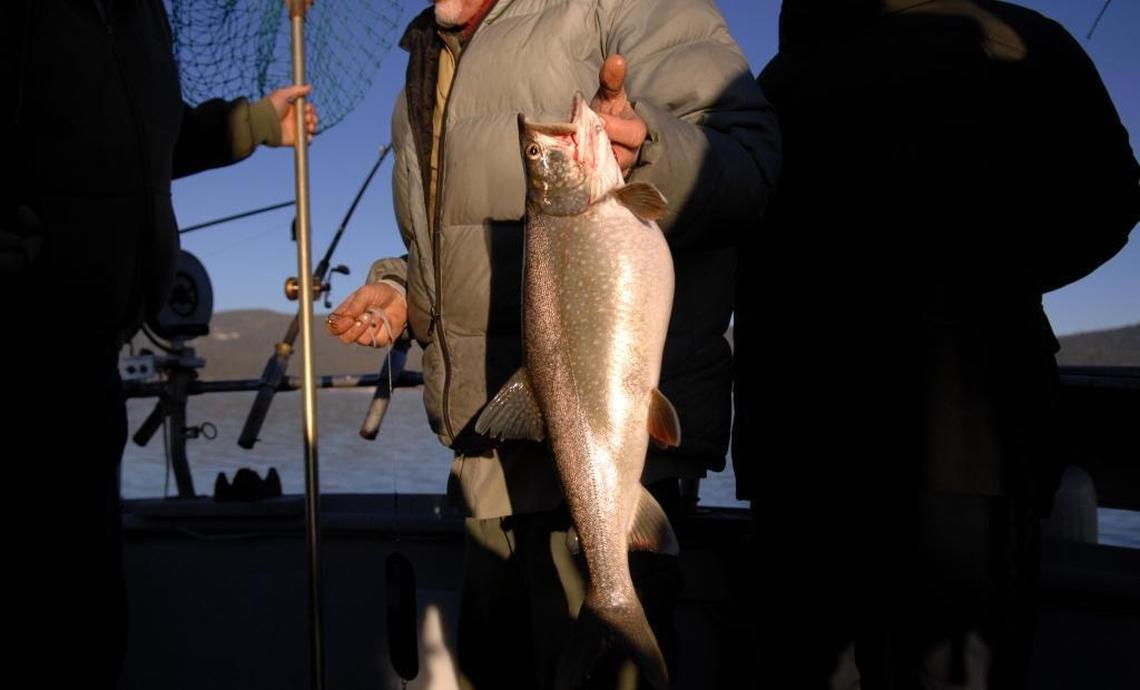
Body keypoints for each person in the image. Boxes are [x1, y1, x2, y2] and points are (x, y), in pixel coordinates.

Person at [327, 0, 780, 686]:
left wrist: (651, 147)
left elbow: (750, 161)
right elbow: (463, 242)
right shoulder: (425, 62)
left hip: (616, 457)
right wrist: (407, 289)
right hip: (486, 466)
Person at [735, 0, 1139, 687]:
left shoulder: (774, 79)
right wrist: (1002, 282)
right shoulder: (1022, 40)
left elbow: (733, 236)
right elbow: (1106, 202)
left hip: (801, 452)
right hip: (967, 455)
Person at [0, 1, 318, 685]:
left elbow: (152, 139)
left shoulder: (141, 16)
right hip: (13, 358)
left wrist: (260, 124)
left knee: (84, 632)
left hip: (89, 368)